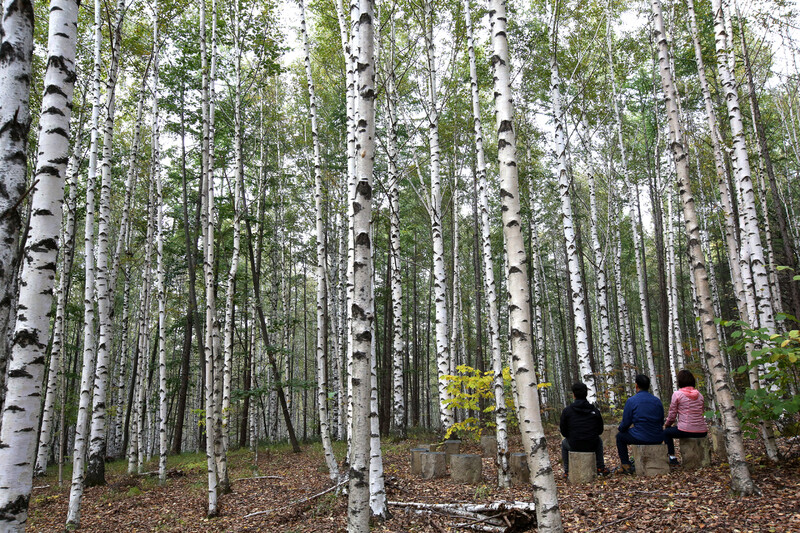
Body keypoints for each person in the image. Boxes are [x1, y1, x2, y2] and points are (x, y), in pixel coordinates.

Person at [616, 374, 664, 474]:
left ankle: (625, 464)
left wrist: (621, 429)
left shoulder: (632, 401)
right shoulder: (657, 401)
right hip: (658, 437)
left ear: (636, 385)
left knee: (620, 437)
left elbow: (626, 423)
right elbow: (661, 421)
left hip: (641, 436)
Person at [560, 382, 609, 477]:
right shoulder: (594, 411)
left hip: (574, 444)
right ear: (586, 394)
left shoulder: (567, 411)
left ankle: (567, 471)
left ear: (573, 395)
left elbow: (564, 432)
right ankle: (600, 467)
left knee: (564, 443)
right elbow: (600, 430)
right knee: (599, 441)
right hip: (592, 444)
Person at [663, 369, 707, 465]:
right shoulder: (700, 395)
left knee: (666, 433)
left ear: (680, 381)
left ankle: (672, 457)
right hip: (702, 431)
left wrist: (667, 425)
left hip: (686, 429)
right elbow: (702, 412)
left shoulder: (677, 394)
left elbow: (672, 415)